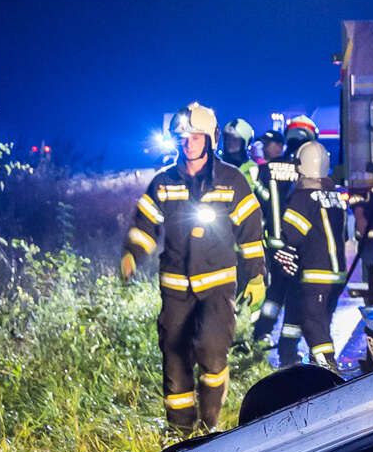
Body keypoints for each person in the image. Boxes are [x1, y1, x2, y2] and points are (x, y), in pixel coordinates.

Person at [122, 103, 266, 431]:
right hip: (175, 287)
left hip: (217, 286)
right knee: (174, 359)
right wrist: (132, 252)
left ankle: (209, 423)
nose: (189, 144)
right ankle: (179, 432)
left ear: (209, 139)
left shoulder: (231, 180)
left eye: (196, 137)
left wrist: (256, 273)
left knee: (213, 353)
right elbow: (145, 224)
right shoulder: (163, 182)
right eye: (183, 138)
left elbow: (250, 229)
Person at [281, 139, 349, 367]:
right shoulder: (335, 196)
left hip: (315, 272)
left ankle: (328, 367)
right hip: (337, 274)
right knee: (322, 320)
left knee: (313, 324)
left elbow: (292, 234)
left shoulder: (302, 198)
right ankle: (308, 362)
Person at [250, 120, 304, 352]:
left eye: (270, 143)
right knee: (291, 291)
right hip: (294, 243)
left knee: (276, 291)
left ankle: (262, 333)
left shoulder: (264, 171)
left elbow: (259, 201)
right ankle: (286, 345)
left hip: (274, 242)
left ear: (281, 145)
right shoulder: (299, 169)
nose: (266, 147)